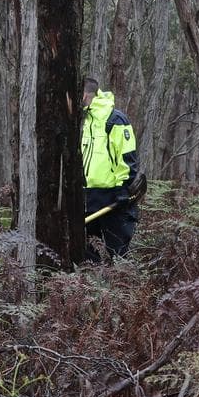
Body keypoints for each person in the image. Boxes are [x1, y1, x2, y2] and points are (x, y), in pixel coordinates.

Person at [81, 77, 142, 261]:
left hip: (115, 199)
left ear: (84, 95)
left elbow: (128, 158)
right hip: (88, 198)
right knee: (89, 256)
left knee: (117, 256)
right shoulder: (83, 121)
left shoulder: (116, 120)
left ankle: (121, 289)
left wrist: (123, 190)